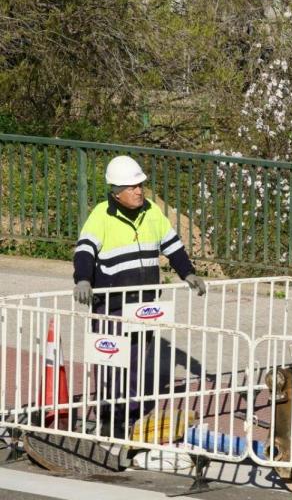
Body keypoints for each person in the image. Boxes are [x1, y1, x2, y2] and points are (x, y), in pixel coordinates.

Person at [73, 155, 206, 438]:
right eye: (132, 187)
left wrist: (189, 274)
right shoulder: (101, 215)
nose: (139, 191)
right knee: (111, 363)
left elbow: (173, 247)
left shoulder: (152, 212)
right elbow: (84, 250)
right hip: (111, 304)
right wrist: (83, 279)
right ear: (116, 192)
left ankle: (131, 416)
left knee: (135, 364)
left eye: (140, 185)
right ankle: (109, 417)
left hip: (144, 305)